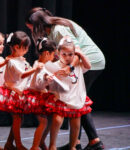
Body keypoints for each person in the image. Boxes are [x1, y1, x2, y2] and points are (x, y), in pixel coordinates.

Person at [25, 7, 105, 150]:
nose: (31, 32)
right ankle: (81, 142)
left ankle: (89, 142)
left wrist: (70, 68)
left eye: (31, 28)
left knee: (78, 100)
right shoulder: (51, 32)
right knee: (78, 100)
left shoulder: (59, 30)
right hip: (82, 64)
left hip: (90, 62)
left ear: (38, 25)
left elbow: (76, 51)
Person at [0, 31, 42, 150]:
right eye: (25, 48)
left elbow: (27, 71)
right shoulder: (11, 61)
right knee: (17, 118)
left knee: (19, 118)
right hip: (13, 92)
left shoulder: (20, 59)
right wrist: (35, 69)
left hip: (20, 91)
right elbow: (23, 75)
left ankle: (9, 143)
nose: (26, 50)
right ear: (16, 47)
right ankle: (19, 145)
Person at [46, 36, 92, 150]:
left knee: (76, 124)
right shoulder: (56, 65)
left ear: (74, 53)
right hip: (62, 98)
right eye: (64, 54)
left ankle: (72, 146)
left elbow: (89, 66)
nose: (67, 57)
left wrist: (80, 54)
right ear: (58, 53)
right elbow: (49, 80)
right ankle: (52, 145)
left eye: (70, 54)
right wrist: (49, 79)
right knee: (57, 121)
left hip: (75, 98)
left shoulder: (78, 64)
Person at [27, 38, 57, 150]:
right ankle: (34, 146)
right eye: (53, 54)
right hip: (36, 96)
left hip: (42, 95)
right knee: (43, 122)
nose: (54, 57)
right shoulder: (40, 65)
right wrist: (46, 79)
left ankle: (41, 142)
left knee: (49, 120)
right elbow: (39, 84)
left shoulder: (43, 64)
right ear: (47, 53)